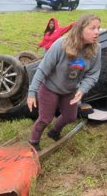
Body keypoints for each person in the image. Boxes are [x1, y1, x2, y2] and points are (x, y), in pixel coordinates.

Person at [27, 14, 102, 151]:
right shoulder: (61, 44)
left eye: (98, 28)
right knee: (45, 119)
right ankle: (34, 141)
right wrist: (32, 92)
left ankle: (54, 131)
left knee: (70, 117)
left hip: (70, 90)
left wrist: (82, 90)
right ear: (80, 29)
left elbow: (93, 74)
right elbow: (43, 69)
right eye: (92, 28)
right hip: (50, 88)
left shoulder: (96, 49)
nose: (97, 32)